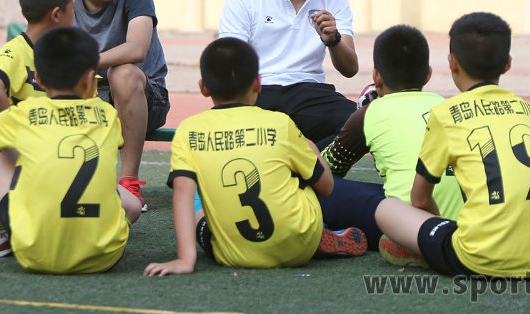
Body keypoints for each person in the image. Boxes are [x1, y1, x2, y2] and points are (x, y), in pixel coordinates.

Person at [375, 12, 530, 278]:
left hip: (480, 259)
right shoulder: (528, 110)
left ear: (452, 62)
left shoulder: (445, 114)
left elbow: (420, 199)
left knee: (386, 209)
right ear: (507, 64)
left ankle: (430, 251)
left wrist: (440, 228)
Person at [144, 37, 367, 275]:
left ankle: (200, 246)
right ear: (258, 84)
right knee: (294, 169)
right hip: (301, 242)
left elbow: (182, 193)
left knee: (197, 195)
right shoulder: (280, 123)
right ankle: (317, 231)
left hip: (231, 253)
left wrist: (184, 259)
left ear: (203, 87)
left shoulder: (188, 130)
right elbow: (326, 187)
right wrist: (309, 146)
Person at [0, 27, 142, 273]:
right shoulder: (107, 114)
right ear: (89, 79)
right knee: (132, 204)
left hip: (34, 254)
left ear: (39, 80)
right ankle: (90, 235)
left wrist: (16, 148)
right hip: (107, 256)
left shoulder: (26, 112)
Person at [218, 0, 358, 149]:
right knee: (234, 120)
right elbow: (230, 64)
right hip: (258, 90)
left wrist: (333, 40)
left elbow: (350, 69)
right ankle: (309, 163)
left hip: (310, 92)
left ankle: (316, 165)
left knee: (361, 123)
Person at [56, 0, 170, 210]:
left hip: (146, 96)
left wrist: (83, 62)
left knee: (123, 72)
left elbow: (137, 49)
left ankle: (129, 183)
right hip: (92, 94)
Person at [319, 25, 462, 249]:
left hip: (407, 222)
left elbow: (327, 171)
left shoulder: (370, 113)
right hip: (461, 223)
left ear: (376, 76)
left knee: (320, 189)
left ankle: (320, 230)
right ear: (428, 74)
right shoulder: (448, 107)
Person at [0, 0, 74, 114]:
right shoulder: (15, 52)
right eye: (73, 7)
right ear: (56, 15)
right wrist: (16, 125)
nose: (75, 14)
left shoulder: (63, 52)